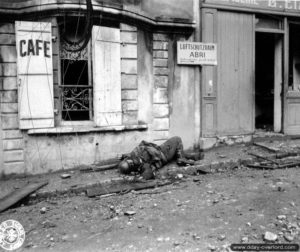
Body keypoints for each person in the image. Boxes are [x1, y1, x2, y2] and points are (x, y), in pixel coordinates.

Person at [118, 136, 204, 180]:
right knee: (177, 139)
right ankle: (181, 159)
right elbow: (148, 174)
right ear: (131, 166)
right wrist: (140, 176)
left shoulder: (134, 159)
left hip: (161, 152)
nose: (131, 161)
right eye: (130, 163)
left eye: (129, 161)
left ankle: (194, 156)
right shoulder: (143, 165)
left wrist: (123, 157)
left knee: (177, 152)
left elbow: (128, 158)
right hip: (163, 153)